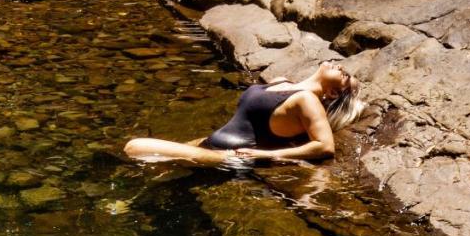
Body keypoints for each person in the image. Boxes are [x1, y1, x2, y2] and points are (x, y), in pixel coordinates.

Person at [124, 60, 365, 167]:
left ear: (333, 94)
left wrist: (268, 156)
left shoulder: (307, 101)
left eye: (344, 76)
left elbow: (324, 147)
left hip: (229, 156)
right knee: (151, 169)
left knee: (134, 147)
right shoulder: (282, 82)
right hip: (207, 143)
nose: (341, 67)